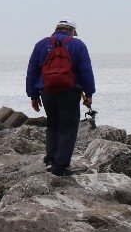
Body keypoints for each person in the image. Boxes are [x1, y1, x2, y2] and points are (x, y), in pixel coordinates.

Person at [26, 18, 96, 177]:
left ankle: (50, 161)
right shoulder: (77, 45)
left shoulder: (41, 45)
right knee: (68, 128)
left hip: (46, 90)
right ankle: (60, 166)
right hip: (69, 91)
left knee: (52, 124)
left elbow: (32, 71)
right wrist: (89, 94)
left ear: (56, 29)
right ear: (71, 31)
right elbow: (85, 71)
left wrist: (33, 96)